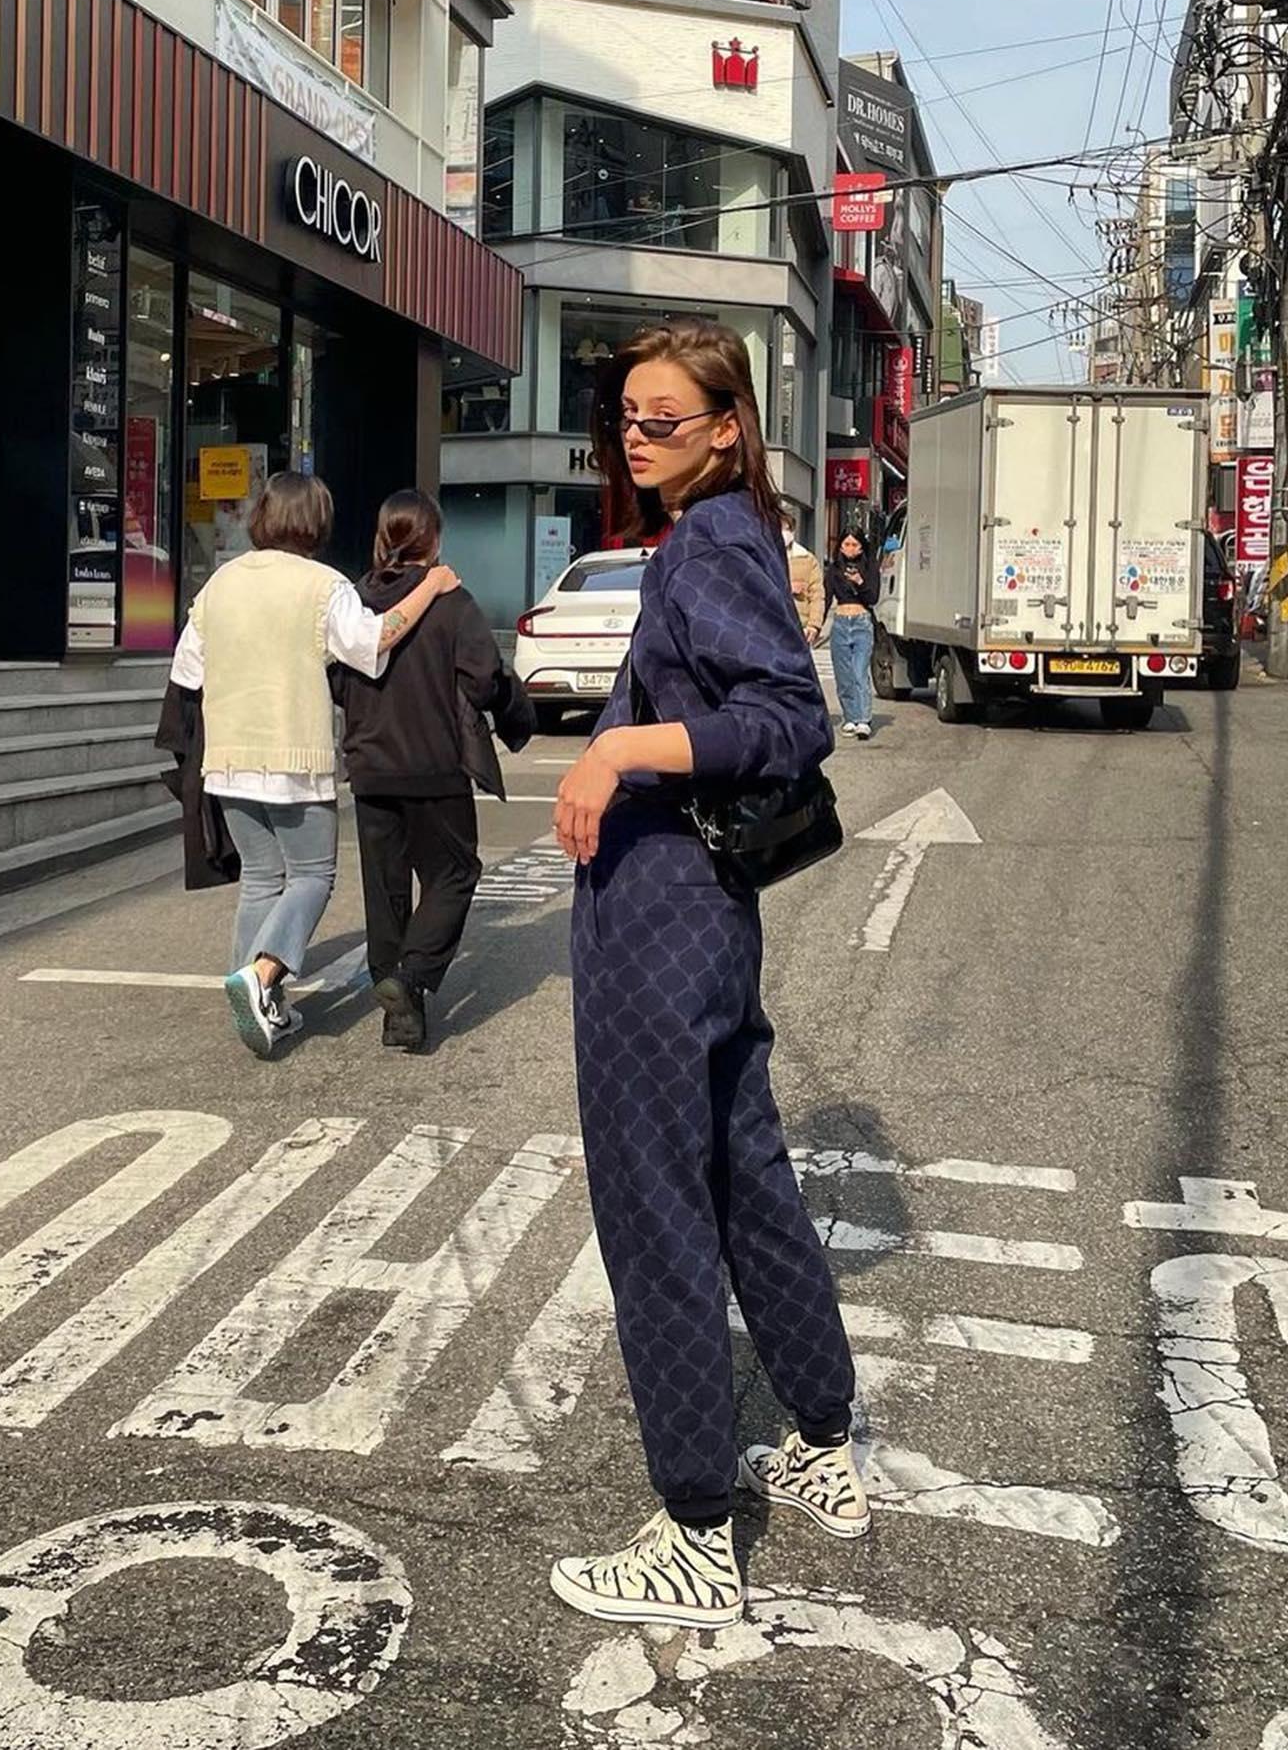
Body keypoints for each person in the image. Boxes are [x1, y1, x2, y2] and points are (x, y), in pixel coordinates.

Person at [547, 319, 866, 1632]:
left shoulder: (710, 543)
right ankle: (825, 1442)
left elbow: (786, 719)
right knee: (744, 1178)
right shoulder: (726, 534)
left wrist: (618, 753)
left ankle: (692, 1528)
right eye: (627, 416)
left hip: (658, 917)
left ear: (728, 428)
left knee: (656, 1207)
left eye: (664, 417)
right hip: (707, 916)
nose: (637, 436)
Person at [169, 471, 460, 1057]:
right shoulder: (324, 586)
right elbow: (372, 641)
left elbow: (187, 672)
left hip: (226, 758)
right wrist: (430, 586)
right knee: (311, 877)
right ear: (317, 521)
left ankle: (258, 996)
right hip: (294, 758)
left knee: (261, 877)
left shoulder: (220, 583)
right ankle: (261, 977)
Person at [331, 489, 535, 1053]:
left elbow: (337, 678)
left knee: (386, 887)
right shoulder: (452, 601)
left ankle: (401, 1010)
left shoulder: (356, 601)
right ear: (435, 539)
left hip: (370, 764)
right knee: (454, 873)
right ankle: (413, 974)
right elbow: (483, 679)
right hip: (435, 763)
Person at [826, 527, 881, 740]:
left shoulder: (870, 567)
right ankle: (850, 717)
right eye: (846, 544)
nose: (850, 548)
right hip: (840, 623)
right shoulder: (833, 570)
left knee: (859, 672)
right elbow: (826, 598)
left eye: (854, 544)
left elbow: (873, 597)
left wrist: (860, 582)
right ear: (840, 547)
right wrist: (815, 626)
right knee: (843, 675)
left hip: (861, 623)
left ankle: (863, 720)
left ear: (861, 547)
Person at [782, 509, 826, 646]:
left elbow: (817, 594)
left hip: (800, 626)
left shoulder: (807, 559)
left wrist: (814, 625)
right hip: (771, 624)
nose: (784, 533)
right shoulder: (764, 556)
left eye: (787, 529)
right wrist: (788, 587)